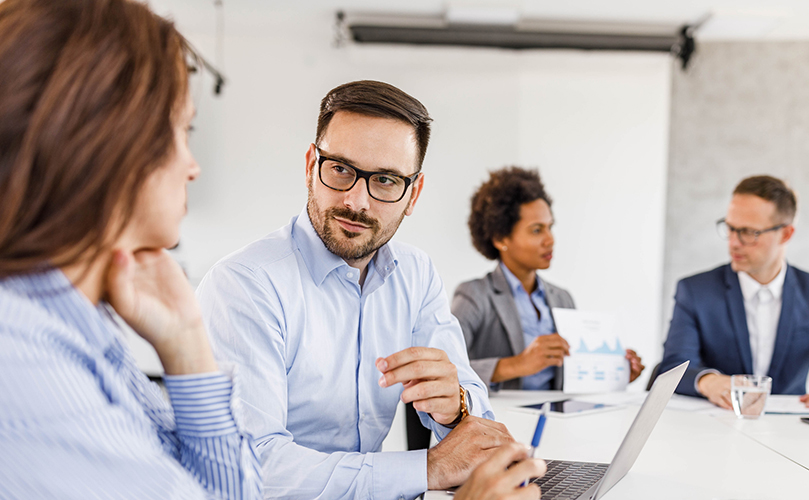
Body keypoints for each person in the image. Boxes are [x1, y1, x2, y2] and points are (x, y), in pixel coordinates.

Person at [197, 80, 515, 499]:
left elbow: (476, 413)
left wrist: (455, 406)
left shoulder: (415, 275)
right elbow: (255, 466)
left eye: (384, 180)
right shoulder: (245, 284)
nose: (356, 201)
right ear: (312, 164)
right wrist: (428, 468)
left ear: (412, 194)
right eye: (341, 170)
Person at [0, 0, 262, 498]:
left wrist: (187, 346)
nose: (193, 166)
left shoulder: (78, 325)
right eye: (183, 132)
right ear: (105, 140)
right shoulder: (17, 356)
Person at [453, 167, 645, 390]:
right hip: (502, 418)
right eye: (537, 230)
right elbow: (445, 366)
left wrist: (615, 374)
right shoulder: (475, 295)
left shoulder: (562, 298)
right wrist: (516, 365)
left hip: (556, 416)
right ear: (500, 238)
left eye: (550, 227)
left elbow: (573, 377)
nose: (550, 239)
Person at [660, 175, 809, 408]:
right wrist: (709, 382)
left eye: (749, 232)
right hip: (716, 426)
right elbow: (673, 365)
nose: (734, 242)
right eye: (730, 228)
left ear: (786, 234)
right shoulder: (695, 291)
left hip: (788, 431)